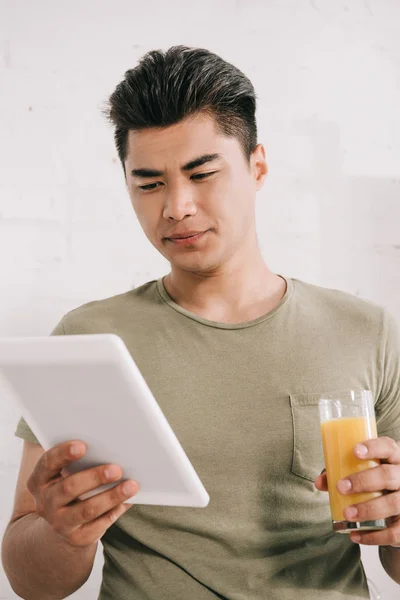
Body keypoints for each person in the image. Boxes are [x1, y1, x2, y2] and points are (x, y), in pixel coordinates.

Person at [2, 45, 400, 600]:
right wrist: (62, 534)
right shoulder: (85, 339)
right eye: (149, 183)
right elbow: (29, 580)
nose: (177, 206)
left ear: (257, 166)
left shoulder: (368, 331)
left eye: (202, 173)